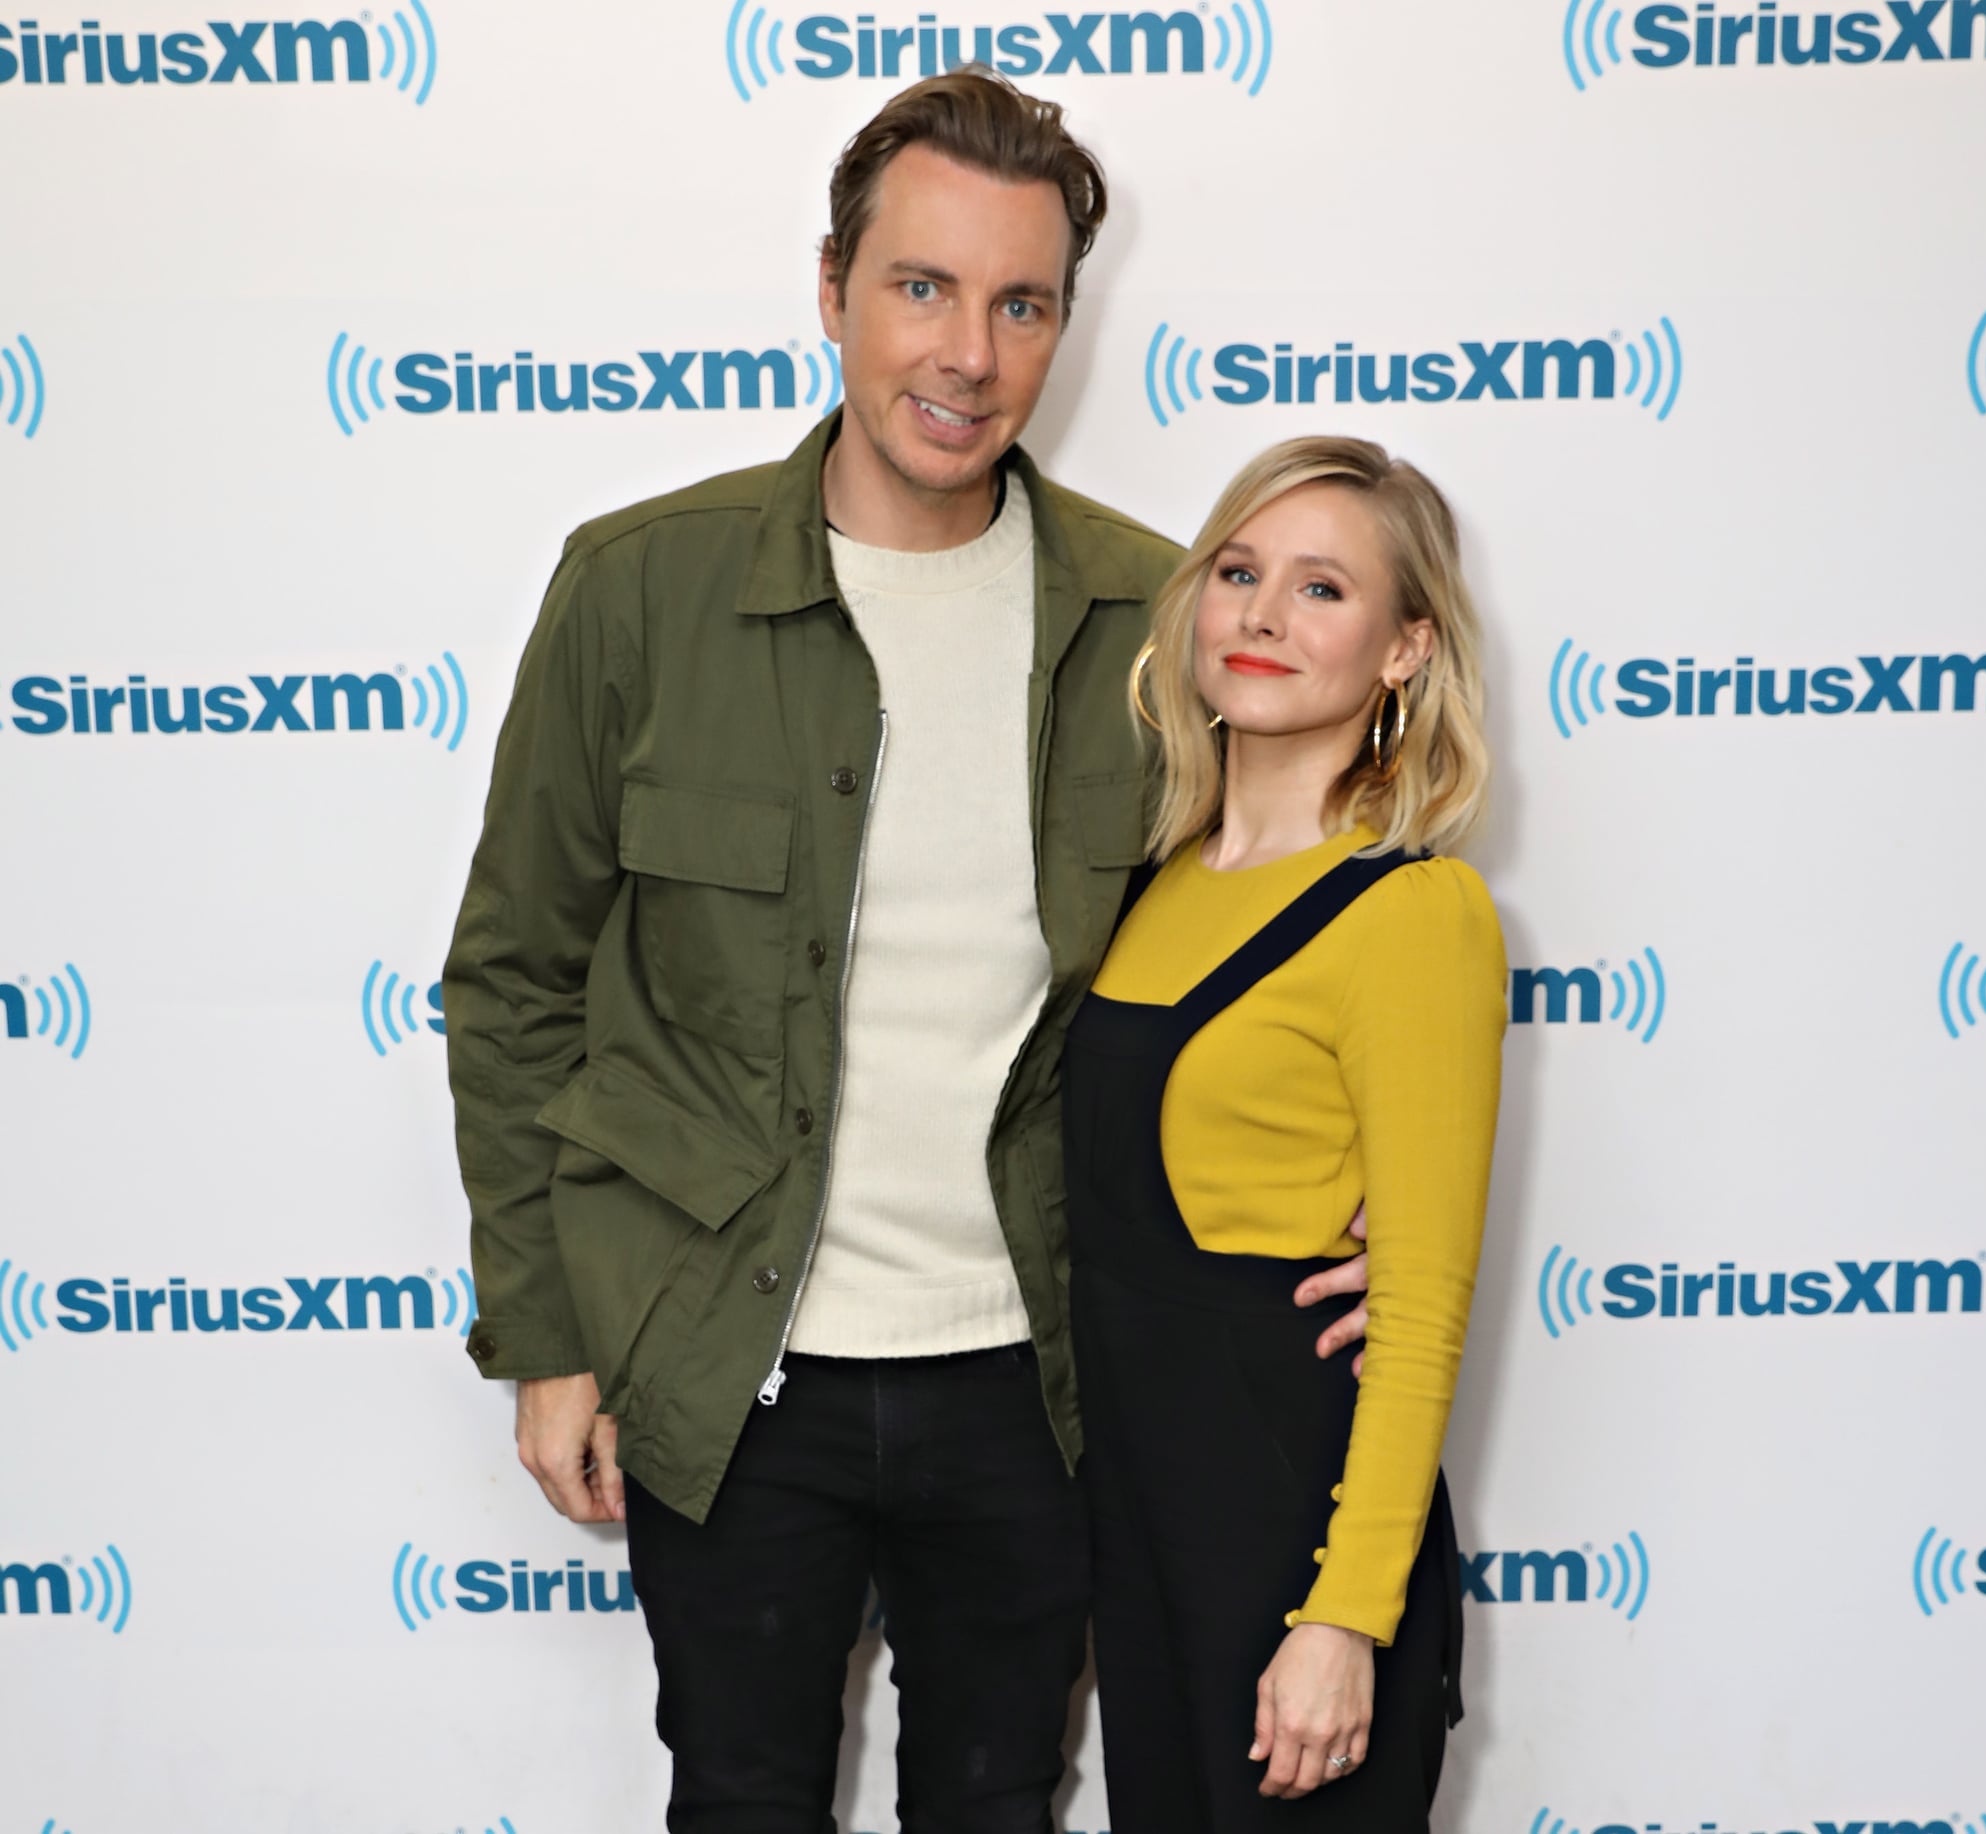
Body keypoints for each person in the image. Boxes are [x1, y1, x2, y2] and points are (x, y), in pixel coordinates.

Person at [441, 72, 1371, 1833]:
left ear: (1064, 328)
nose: (967, 351)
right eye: (921, 288)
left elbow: (1308, 930)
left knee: (998, 1805)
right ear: (831, 290)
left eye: (1021, 303)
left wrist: (1380, 1186)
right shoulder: (639, 588)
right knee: (739, 1799)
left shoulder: (1156, 617)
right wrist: (550, 1331)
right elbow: (513, 980)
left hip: (1043, 1377)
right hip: (728, 1365)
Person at [1066, 435, 1505, 1831]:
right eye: (1240, 572)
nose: (1261, 613)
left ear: (1404, 649)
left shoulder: (1414, 912)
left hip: (1294, 1528)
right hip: (1143, 1531)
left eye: (1323, 588)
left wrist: (1345, 1618)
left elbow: (1423, 1309)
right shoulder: (1145, 885)